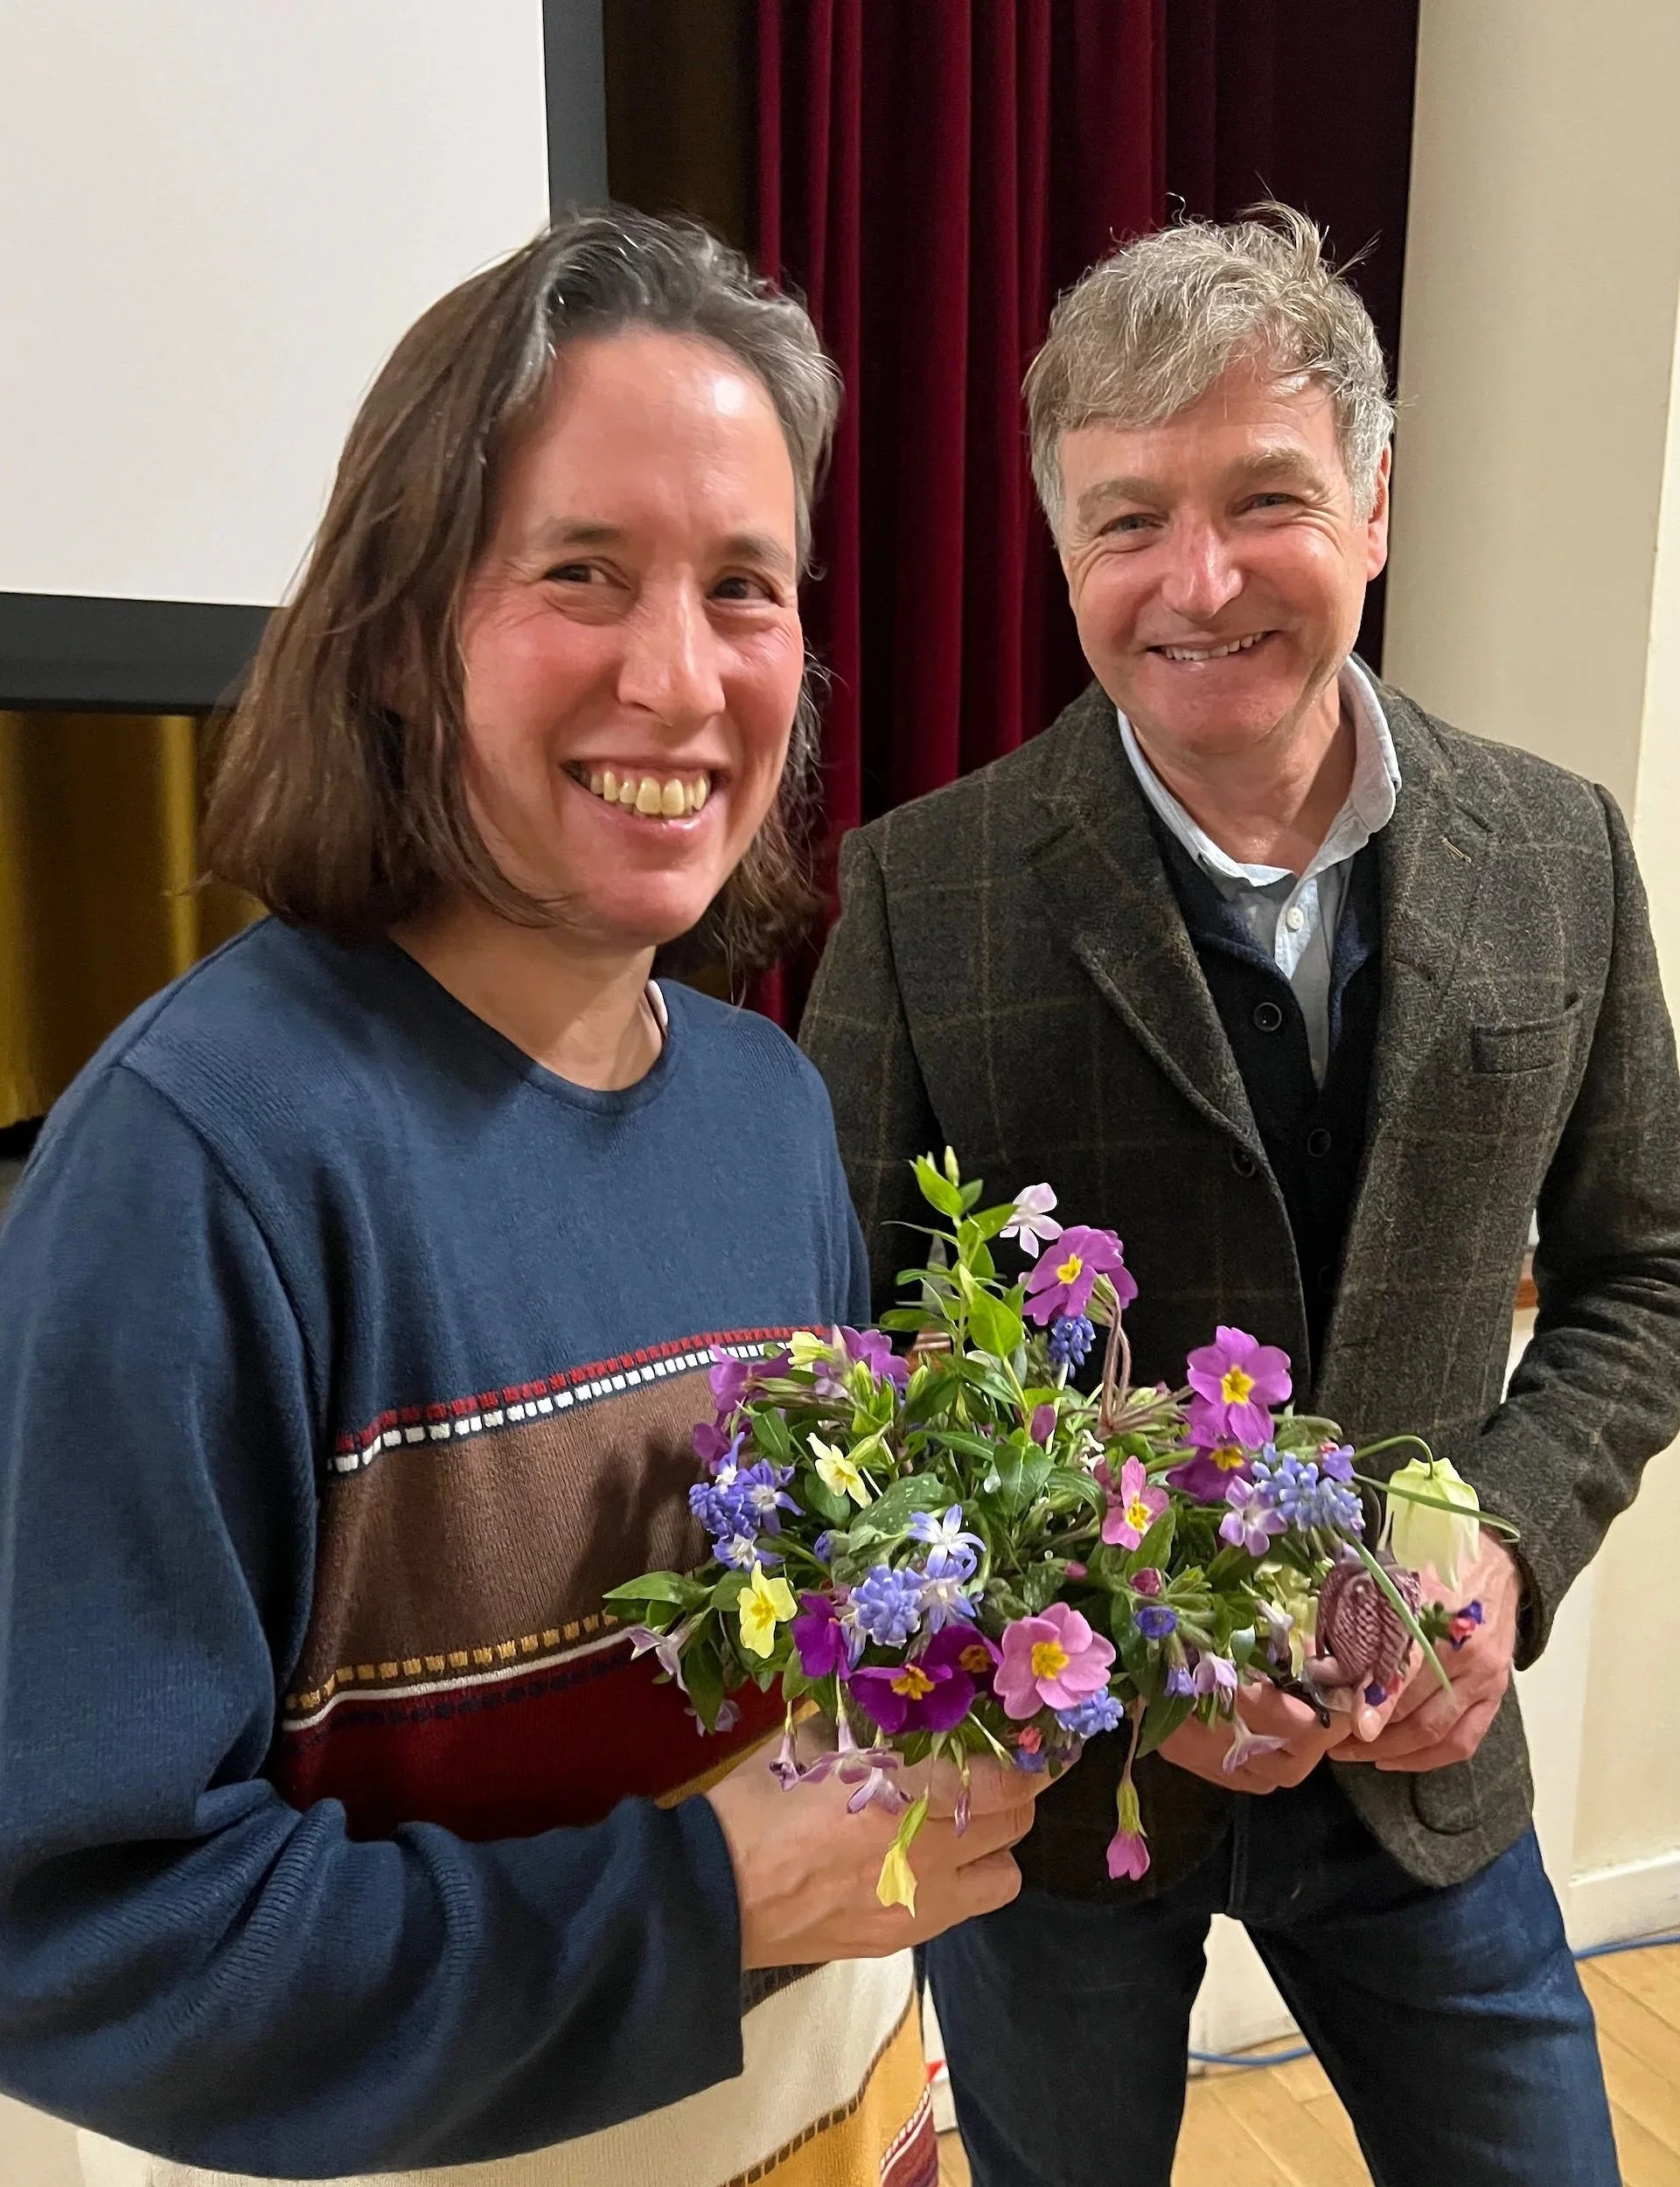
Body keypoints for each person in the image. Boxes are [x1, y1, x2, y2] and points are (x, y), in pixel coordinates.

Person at [0, 211, 1039, 2187]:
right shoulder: (201, 1166)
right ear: (403, 628)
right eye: (583, 572)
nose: (679, 674)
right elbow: (80, 1939)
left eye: (747, 588)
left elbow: (801, 1671)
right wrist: (699, 1902)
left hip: (844, 2110)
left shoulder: (760, 1100)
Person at [801, 206, 1680, 2186]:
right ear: (1057, 545)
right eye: (1127, 520)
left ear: (1375, 498)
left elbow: (1655, 1268)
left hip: (1429, 1775)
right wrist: (1115, 1629)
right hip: (1069, 1781)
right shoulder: (922, 890)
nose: (1196, 581)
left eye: (1264, 496)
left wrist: (1513, 1552)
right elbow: (842, 1366)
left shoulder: (1557, 851)